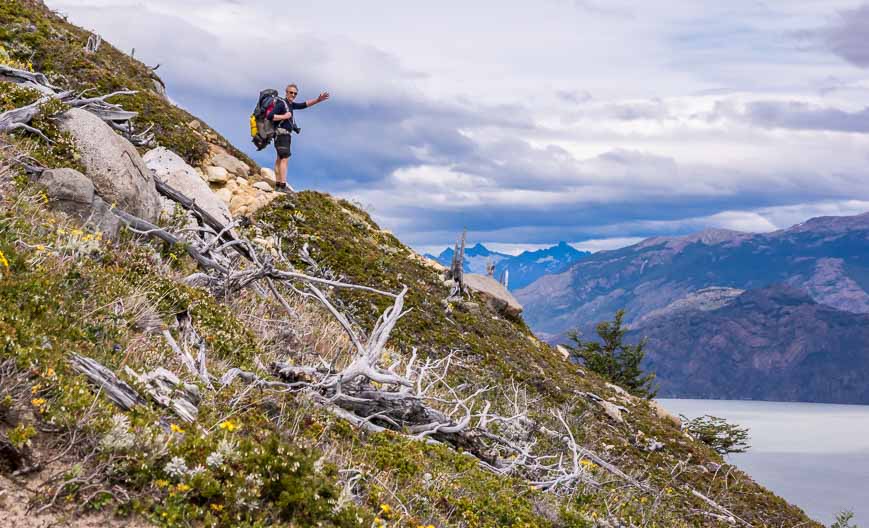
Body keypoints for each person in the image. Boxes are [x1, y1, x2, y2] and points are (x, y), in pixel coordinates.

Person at [270, 84, 329, 193]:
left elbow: (303, 105)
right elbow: (270, 116)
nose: (293, 95)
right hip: (282, 134)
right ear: (286, 92)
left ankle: (278, 185)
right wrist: (285, 116)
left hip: (281, 135)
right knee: (284, 159)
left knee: (279, 159)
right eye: (291, 92)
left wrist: (318, 100)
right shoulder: (281, 104)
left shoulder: (290, 105)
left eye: (295, 93)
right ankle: (282, 186)